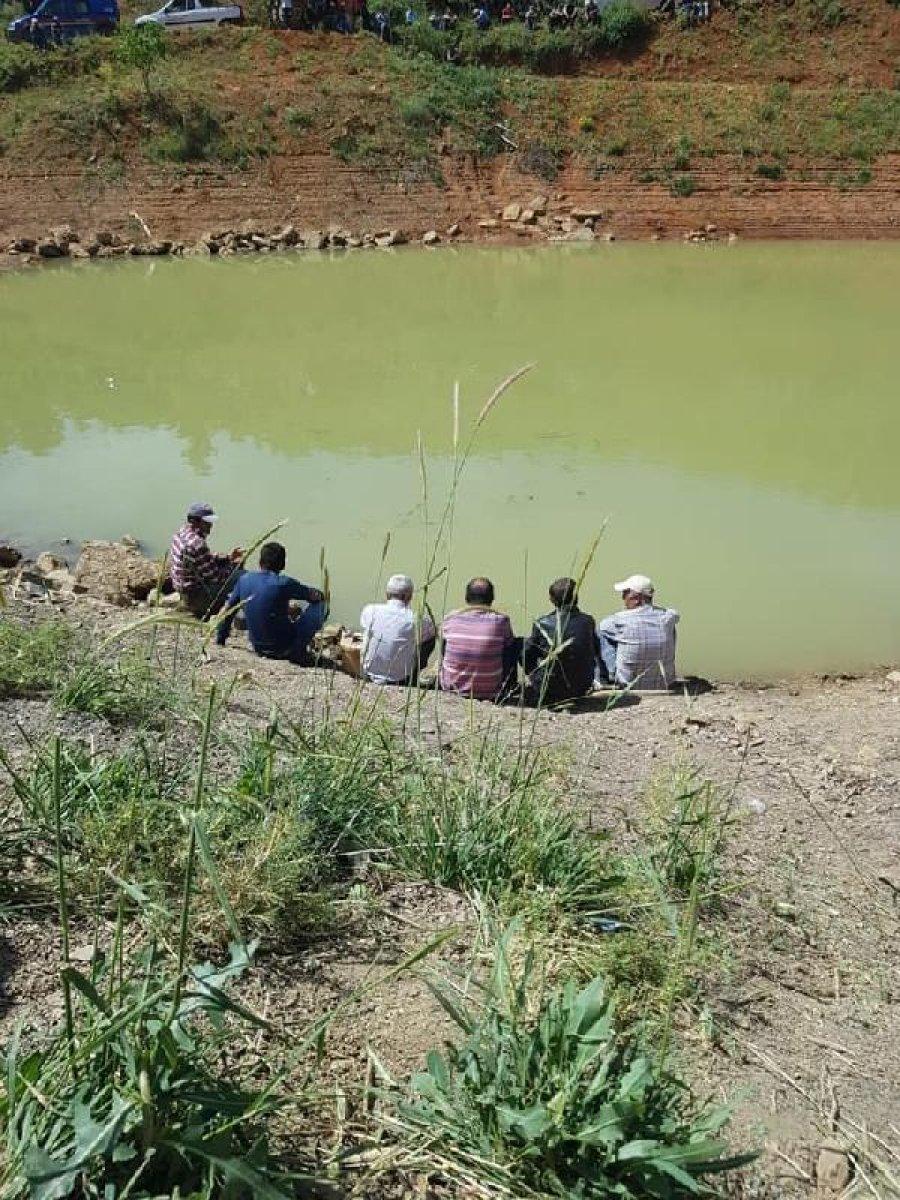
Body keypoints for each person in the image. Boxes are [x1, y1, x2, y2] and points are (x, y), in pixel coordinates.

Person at [215, 541, 327, 665]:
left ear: (260, 561)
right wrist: (319, 594)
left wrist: (220, 640)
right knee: (321, 605)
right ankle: (299, 651)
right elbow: (316, 596)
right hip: (285, 649)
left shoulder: (244, 579)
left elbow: (228, 611)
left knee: (279, 606)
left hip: (258, 648)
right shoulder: (284, 583)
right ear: (283, 564)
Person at [440, 577, 520, 701]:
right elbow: (509, 648)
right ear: (492, 599)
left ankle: (452, 675)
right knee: (513, 644)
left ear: (466, 597)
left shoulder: (450, 618)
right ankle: (509, 685)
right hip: (491, 691)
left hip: (453, 689)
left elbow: (443, 649)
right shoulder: (501, 620)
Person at [522, 577, 599, 705]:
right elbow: (596, 651)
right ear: (576, 598)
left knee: (522, 645)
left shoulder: (542, 623)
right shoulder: (588, 621)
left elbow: (527, 654)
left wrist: (533, 674)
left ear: (552, 600)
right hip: (581, 686)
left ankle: (537, 684)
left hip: (550, 688)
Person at [597, 574, 679, 690]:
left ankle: (609, 676)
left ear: (636, 598)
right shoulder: (668, 617)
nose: (623, 598)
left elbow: (602, 626)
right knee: (670, 628)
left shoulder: (619, 620)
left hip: (629, 686)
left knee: (601, 633)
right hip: (664, 684)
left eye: (625, 593)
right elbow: (675, 614)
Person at [169, 502, 243, 619]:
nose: (211, 525)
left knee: (230, 565)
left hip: (183, 590)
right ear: (195, 522)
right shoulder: (197, 543)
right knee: (242, 576)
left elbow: (201, 560)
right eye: (207, 522)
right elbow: (216, 578)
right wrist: (234, 564)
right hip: (196, 596)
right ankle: (229, 609)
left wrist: (228, 557)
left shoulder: (180, 533)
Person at [359, 574, 436, 686]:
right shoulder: (416, 619)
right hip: (399, 678)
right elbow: (433, 631)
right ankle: (414, 678)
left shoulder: (370, 610)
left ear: (386, 594)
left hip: (367, 673)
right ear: (409, 597)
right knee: (429, 639)